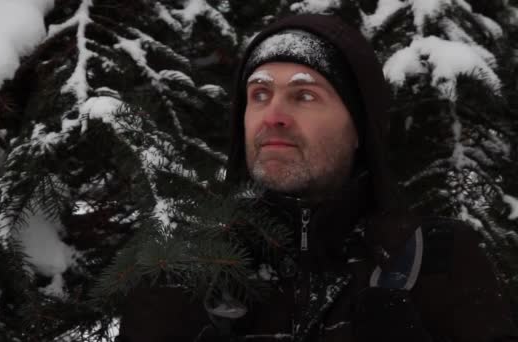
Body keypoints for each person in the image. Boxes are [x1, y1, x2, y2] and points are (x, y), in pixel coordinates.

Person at [117, 14, 518, 341]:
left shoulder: (435, 259)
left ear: (359, 125)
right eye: (259, 95)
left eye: (304, 95)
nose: (273, 116)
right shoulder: (179, 272)